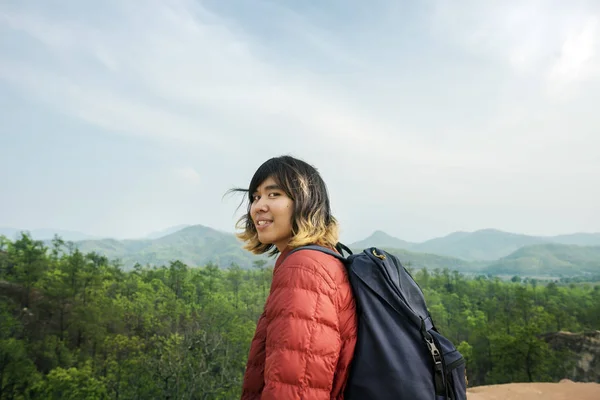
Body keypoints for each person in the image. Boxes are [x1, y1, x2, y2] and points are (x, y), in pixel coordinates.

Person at [231, 155, 357, 399]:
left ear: (306, 202)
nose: (258, 206)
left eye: (274, 194)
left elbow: (297, 389)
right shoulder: (325, 257)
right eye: (255, 197)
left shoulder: (303, 268)